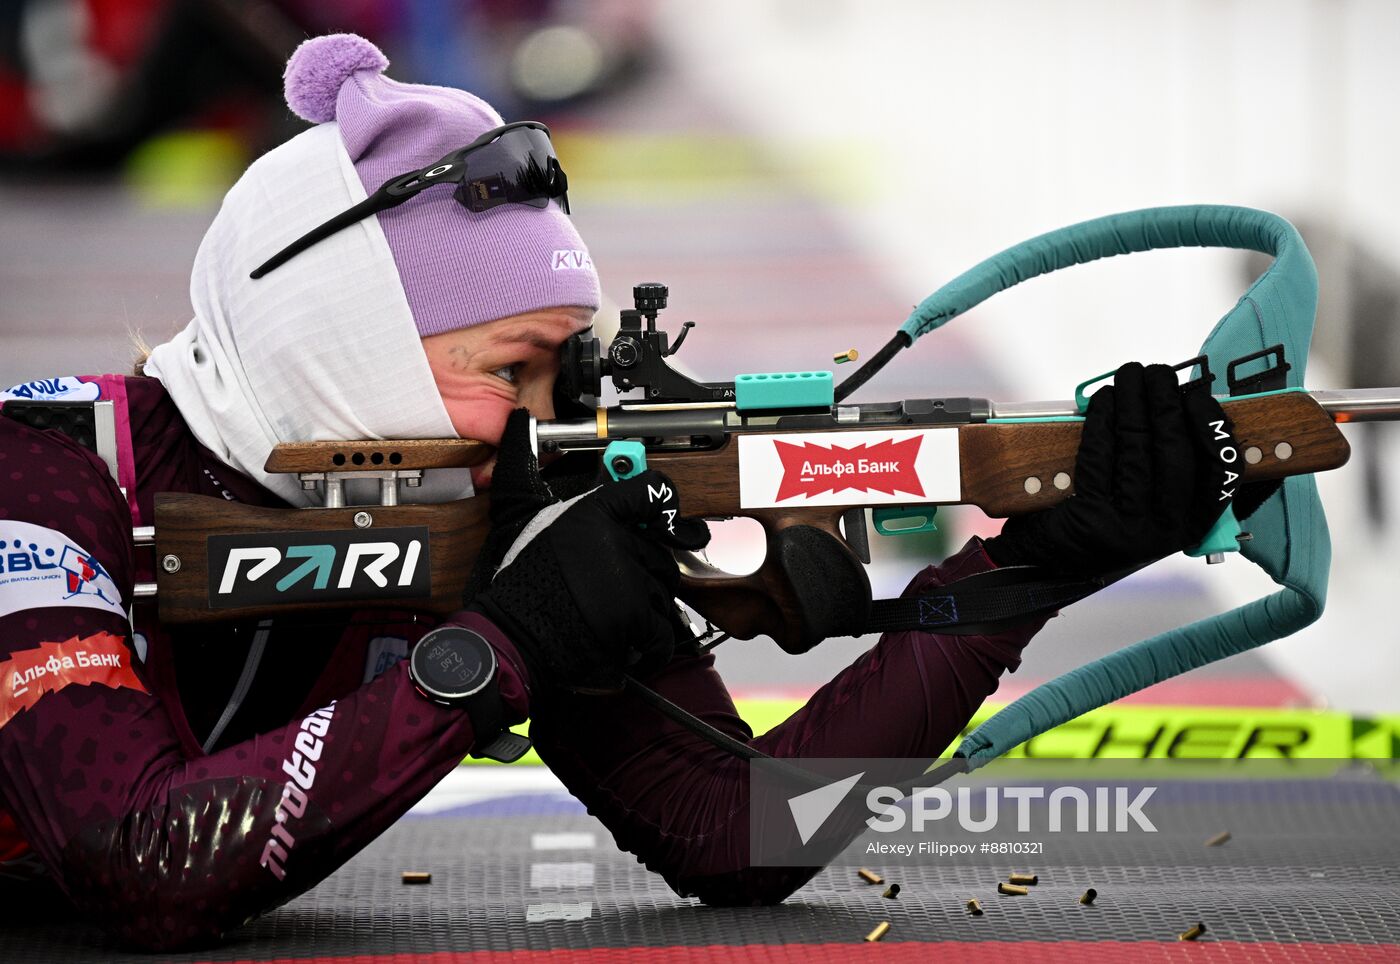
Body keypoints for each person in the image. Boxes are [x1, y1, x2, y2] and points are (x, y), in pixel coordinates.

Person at [0, 34, 1239, 950]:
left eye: (564, 364)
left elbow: (738, 829)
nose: (549, 418)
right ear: (338, 340)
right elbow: (143, 862)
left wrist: (1032, 568)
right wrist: (495, 655)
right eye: (508, 369)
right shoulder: (39, 479)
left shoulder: (474, 501)